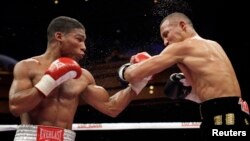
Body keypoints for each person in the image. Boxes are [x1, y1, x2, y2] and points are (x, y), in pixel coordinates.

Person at [8, 16, 149, 141]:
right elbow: (15, 107)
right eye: (79, 39)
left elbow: (112, 108)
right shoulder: (27, 66)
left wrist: (139, 83)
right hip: (31, 137)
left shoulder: (83, 76)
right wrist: (50, 80)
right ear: (59, 36)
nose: (84, 47)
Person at [119, 12, 249, 140]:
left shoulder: (181, 47)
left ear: (182, 25)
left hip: (222, 120)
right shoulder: (214, 45)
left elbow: (133, 75)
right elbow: (216, 90)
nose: (165, 42)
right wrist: (186, 87)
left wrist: (125, 70)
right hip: (239, 117)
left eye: (166, 34)